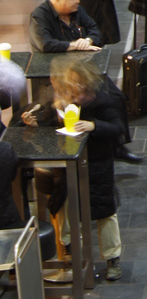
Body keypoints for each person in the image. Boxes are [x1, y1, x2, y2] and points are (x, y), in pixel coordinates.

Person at [22, 57, 128, 281]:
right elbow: (50, 125)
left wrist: (94, 125)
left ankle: (112, 258)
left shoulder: (101, 98)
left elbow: (118, 127)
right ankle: (70, 249)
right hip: (67, 162)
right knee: (63, 205)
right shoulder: (58, 98)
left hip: (96, 163)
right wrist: (35, 124)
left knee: (105, 211)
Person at [29, 0, 102, 53]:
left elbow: (94, 29)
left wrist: (88, 41)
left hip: (78, 59)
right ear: (58, 1)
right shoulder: (39, 16)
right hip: (52, 61)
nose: (78, 1)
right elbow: (45, 44)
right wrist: (76, 45)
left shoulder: (77, 9)